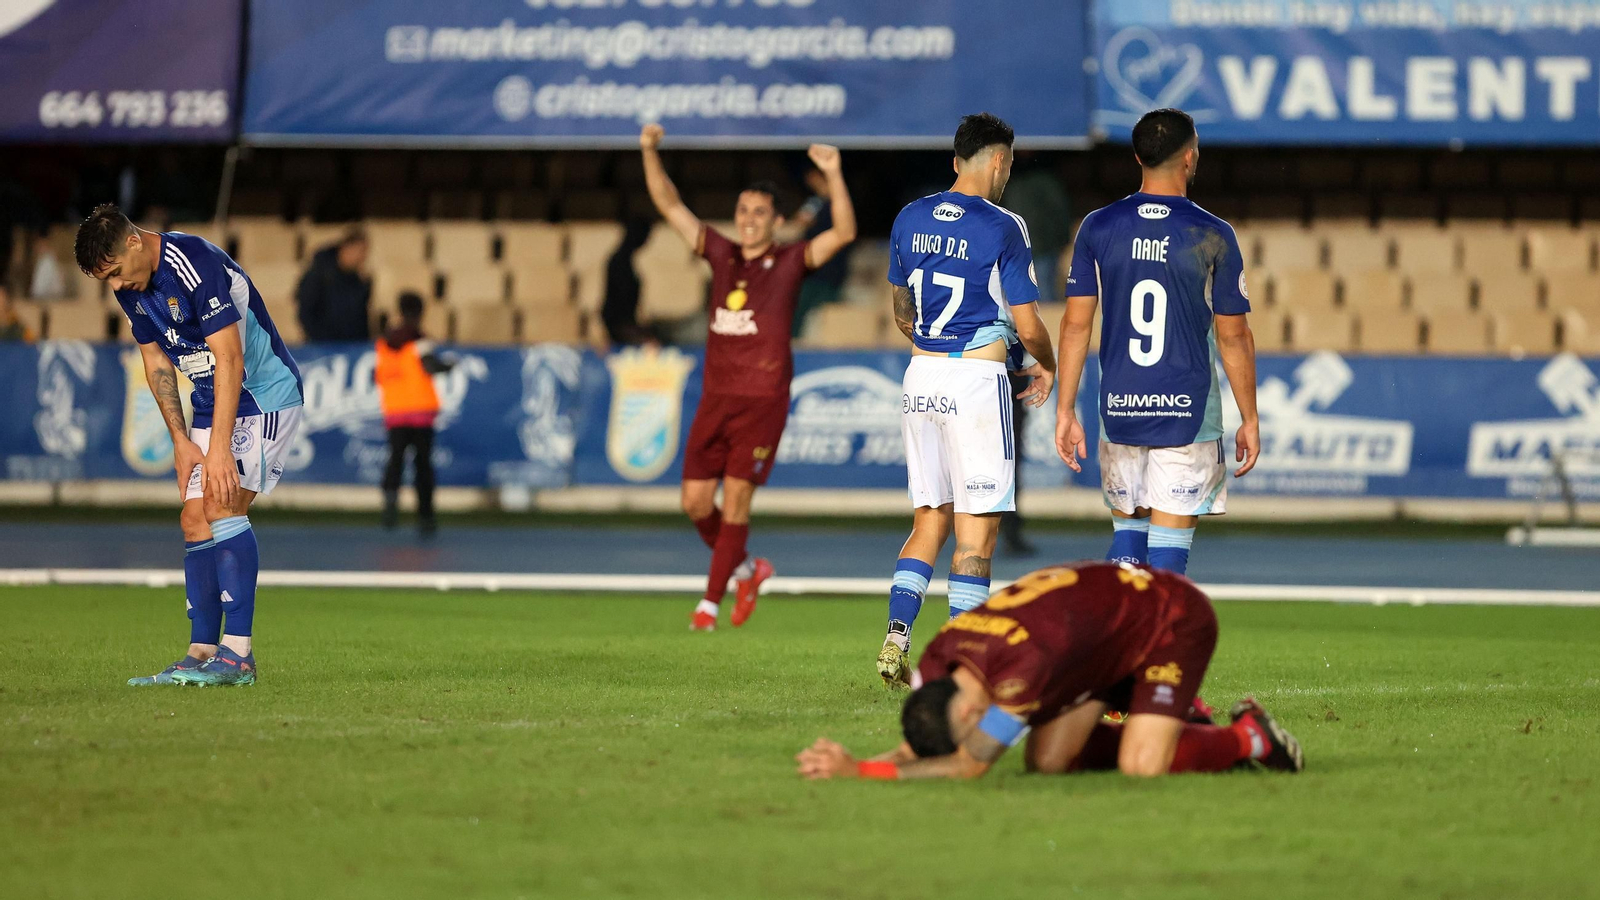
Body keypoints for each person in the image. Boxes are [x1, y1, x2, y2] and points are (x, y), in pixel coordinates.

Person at [797, 561, 1303, 781]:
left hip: (1170, 621)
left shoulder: (1021, 673)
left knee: (1141, 765)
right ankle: (1179, 724)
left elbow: (971, 764)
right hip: (1096, 642)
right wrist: (859, 763)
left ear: (975, 709)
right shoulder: (940, 658)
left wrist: (860, 772)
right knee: (1050, 764)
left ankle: (1249, 737)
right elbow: (926, 745)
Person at [639, 123, 857, 632]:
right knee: (694, 503)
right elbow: (670, 205)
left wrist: (834, 174)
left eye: (760, 213)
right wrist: (649, 151)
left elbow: (844, 233)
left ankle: (708, 606)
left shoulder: (789, 261)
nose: (749, 220)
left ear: (778, 221)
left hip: (761, 402)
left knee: (735, 499)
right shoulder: (721, 253)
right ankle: (746, 568)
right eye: (743, 212)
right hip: (716, 399)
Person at [75, 203, 303, 687]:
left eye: (115, 272)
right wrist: (180, 440)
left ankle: (238, 655)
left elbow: (231, 358)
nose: (116, 286)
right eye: (106, 281)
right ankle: (201, 652)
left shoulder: (192, 260)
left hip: (261, 397)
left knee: (222, 505)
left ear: (134, 240)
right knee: (193, 517)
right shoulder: (132, 286)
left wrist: (218, 446)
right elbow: (155, 362)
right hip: (209, 403)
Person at [875, 113, 1057, 687]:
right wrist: (1044, 362)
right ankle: (961, 667)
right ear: (999, 161)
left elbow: (903, 313)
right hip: (975, 384)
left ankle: (898, 635)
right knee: (976, 535)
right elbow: (1027, 325)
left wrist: (939, 346)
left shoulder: (909, 217)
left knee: (929, 519)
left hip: (921, 374)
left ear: (957, 160)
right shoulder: (1005, 225)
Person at [1055, 108, 1260, 576]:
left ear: (1136, 157)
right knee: (1168, 557)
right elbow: (1234, 336)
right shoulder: (1213, 233)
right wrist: (1249, 417)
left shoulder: (1098, 227)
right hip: (1185, 410)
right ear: (1190, 158)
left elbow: (1074, 326)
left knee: (1128, 546)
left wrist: (1065, 410)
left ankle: (1115, 646)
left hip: (1121, 406)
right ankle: (1154, 649)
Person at [374, 291, 454, 537]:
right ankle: (425, 516)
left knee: (395, 461)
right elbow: (431, 366)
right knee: (422, 465)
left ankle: (390, 505)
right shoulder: (420, 340)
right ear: (420, 313)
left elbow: (377, 374)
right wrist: (449, 365)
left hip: (395, 411)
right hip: (420, 412)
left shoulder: (385, 342)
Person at [786, 167, 853, 337]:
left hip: (830, 270)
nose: (809, 181)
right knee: (797, 310)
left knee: (825, 312)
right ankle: (793, 342)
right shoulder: (814, 203)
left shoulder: (840, 205)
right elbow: (798, 225)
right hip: (811, 268)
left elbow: (845, 234)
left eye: (814, 177)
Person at [296, 227, 371, 342]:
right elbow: (306, 312)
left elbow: (360, 317)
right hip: (323, 347)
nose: (363, 257)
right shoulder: (320, 274)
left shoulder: (358, 281)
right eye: (360, 251)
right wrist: (320, 340)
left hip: (352, 348)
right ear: (347, 249)